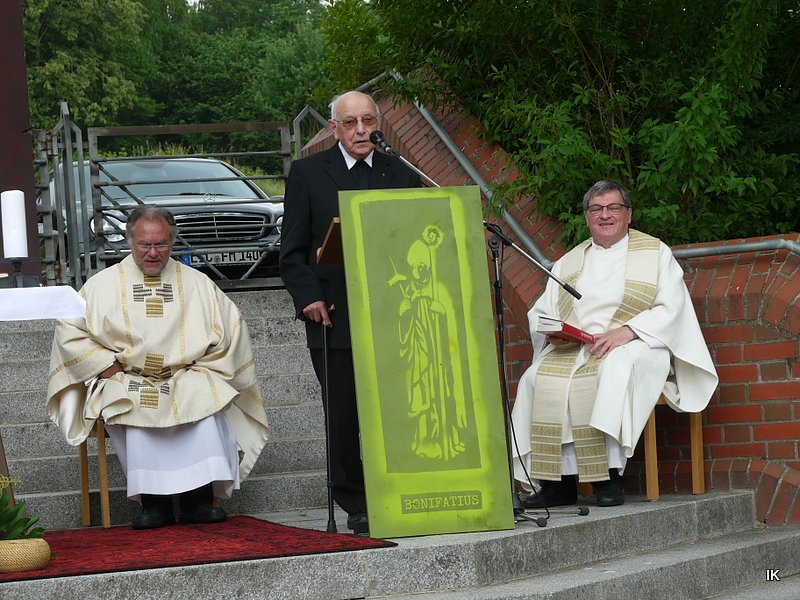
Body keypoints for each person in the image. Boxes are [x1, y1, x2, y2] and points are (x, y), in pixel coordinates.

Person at [47, 205, 269, 529]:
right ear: (129, 241)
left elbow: (231, 329)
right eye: (144, 245)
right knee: (131, 401)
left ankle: (198, 501)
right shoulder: (101, 286)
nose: (153, 253)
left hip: (185, 375)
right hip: (127, 376)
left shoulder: (198, 284)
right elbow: (69, 329)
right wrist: (104, 365)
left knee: (203, 394)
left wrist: (206, 367)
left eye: (161, 245)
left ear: (173, 242)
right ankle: (154, 505)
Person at [510, 181, 718, 508]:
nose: (604, 215)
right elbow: (541, 310)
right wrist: (551, 329)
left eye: (613, 208)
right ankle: (556, 483)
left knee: (612, 369)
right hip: (577, 348)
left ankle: (608, 479)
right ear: (587, 216)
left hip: (636, 342)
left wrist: (630, 330)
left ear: (628, 214)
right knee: (534, 378)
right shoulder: (569, 262)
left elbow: (672, 307)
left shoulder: (655, 253)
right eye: (596, 209)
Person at [279, 90, 421, 534]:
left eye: (368, 121)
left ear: (378, 122)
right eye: (350, 123)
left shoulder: (401, 172)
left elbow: (417, 235)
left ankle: (401, 490)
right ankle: (356, 502)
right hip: (333, 315)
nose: (362, 131)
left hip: (394, 313)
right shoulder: (307, 173)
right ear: (334, 128)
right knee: (343, 414)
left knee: (397, 407)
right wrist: (308, 299)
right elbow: (292, 250)